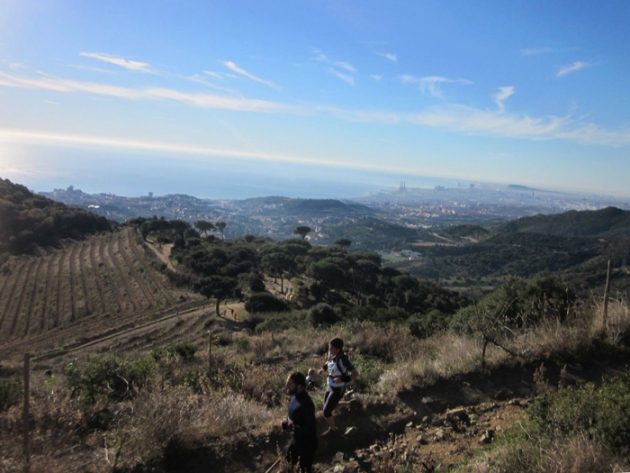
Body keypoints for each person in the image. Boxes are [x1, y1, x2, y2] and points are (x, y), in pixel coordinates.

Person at [318, 337, 359, 436]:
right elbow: (329, 363)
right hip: (330, 385)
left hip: (338, 388)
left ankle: (333, 429)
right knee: (330, 407)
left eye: (332, 348)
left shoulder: (343, 359)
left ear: (338, 349)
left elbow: (355, 374)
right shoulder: (331, 354)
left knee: (326, 411)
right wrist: (323, 369)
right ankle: (349, 404)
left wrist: (343, 379)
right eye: (329, 348)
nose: (329, 350)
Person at [283, 372, 318, 472]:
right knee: (288, 466)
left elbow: (311, 429)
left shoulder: (306, 403)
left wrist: (293, 427)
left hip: (307, 445)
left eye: (289, 384)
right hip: (296, 440)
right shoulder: (294, 398)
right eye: (286, 383)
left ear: (299, 386)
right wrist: (287, 423)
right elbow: (295, 418)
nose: (286, 386)